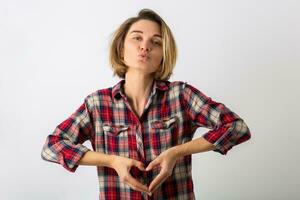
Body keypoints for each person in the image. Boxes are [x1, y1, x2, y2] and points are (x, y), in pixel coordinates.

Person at [41, 8, 251, 200]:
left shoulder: (181, 96)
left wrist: (177, 152)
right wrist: (111, 161)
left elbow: (236, 127)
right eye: (137, 38)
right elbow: (52, 146)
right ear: (121, 48)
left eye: (156, 42)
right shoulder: (97, 104)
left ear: (163, 55)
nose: (145, 46)